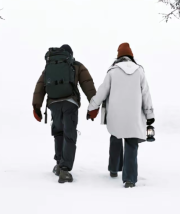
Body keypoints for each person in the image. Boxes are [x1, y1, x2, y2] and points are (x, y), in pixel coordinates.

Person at [87, 42, 155, 188]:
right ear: (131, 56)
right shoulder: (139, 71)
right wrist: (150, 115)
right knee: (131, 143)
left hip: (115, 116)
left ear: (118, 56)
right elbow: (146, 94)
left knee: (115, 137)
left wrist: (92, 108)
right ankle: (129, 179)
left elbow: (102, 92)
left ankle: (114, 168)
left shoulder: (112, 71)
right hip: (134, 117)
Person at [32, 44, 97, 184]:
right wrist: (94, 106)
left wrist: (36, 106)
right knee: (69, 134)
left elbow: (40, 86)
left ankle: (58, 164)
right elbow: (88, 84)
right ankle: (64, 169)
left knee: (58, 133)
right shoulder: (76, 65)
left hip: (53, 104)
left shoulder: (50, 66)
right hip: (70, 103)